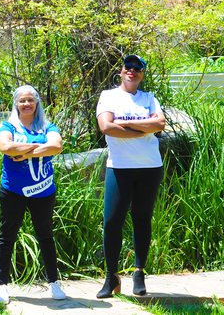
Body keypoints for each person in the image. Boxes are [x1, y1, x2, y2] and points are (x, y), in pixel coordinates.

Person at [95, 54, 166, 298]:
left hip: (150, 166)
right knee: (112, 220)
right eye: (128, 67)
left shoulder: (149, 98)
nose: (132, 71)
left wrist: (125, 125)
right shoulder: (109, 96)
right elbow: (106, 126)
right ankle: (111, 277)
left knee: (142, 218)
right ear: (122, 71)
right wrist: (142, 128)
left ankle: (139, 273)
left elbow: (160, 124)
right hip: (120, 166)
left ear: (143, 74)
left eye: (138, 68)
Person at [0, 85, 65, 304]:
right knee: (7, 236)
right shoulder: (8, 125)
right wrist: (38, 147)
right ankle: (1, 286)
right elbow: (5, 146)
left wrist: (24, 152)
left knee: (46, 236)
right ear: (16, 103)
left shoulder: (47, 125)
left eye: (30, 100)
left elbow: (57, 145)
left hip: (43, 191)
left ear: (37, 103)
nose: (26, 104)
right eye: (22, 100)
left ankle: (53, 282)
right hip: (13, 190)